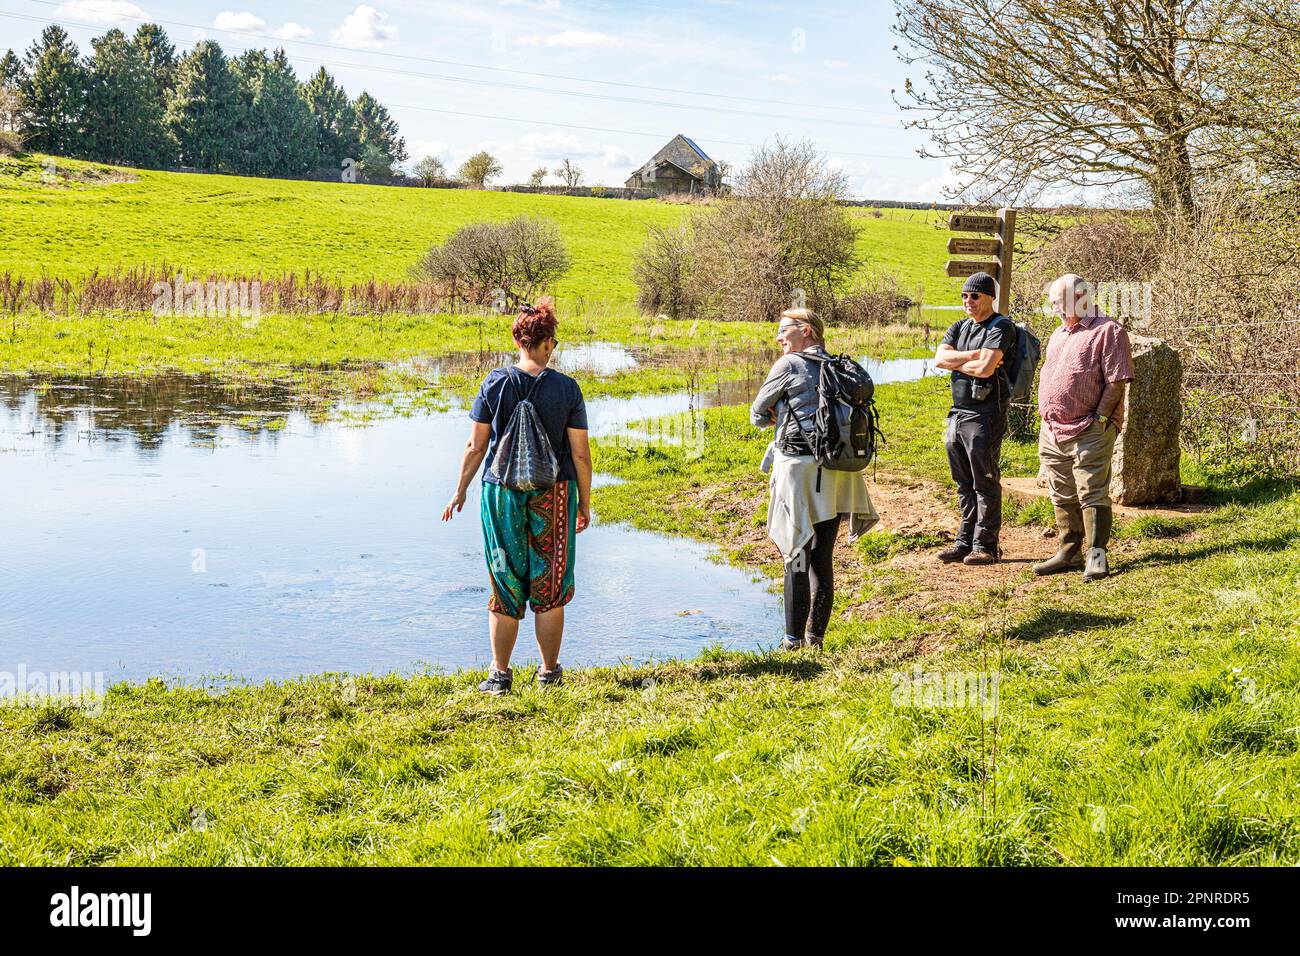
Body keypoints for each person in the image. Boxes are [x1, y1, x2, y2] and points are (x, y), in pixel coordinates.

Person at [441, 299, 593, 695]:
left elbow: (476, 446)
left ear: (518, 340)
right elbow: (580, 454)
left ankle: (500, 675)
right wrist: (585, 503)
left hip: (500, 492)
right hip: (556, 492)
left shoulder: (494, 383)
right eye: (553, 342)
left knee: (504, 578)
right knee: (551, 580)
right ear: (546, 344)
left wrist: (459, 492)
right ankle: (549, 673)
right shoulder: (567, 389)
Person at [750, 307, 878, 651]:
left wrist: (775, 414)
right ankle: (815, 640)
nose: (779, 337)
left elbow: (757, 414)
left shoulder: (788, 365)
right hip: (839, 468)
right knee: (822, 558)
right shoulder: (840, 366)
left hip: (800, 470)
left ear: (806, 330)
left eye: (784, 330)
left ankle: (791, 643)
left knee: (796, 554)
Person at [1032, 274, 1134, 582]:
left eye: (1060, 303)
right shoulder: (1059, 334)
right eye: (1053, 305)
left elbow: (1117, 381)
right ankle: (1069, 551)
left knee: (1092, 493)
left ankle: (1097, 558)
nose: (1057, 310)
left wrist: (1101, 419)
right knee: (1061, 493)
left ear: (1081, 297)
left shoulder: (1109, 331)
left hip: (1089, 429)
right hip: (1053, 430)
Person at [933, 271, 1018, 565]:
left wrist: (960, 360)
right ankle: (963, 541)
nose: (968, 301)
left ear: (989, 297)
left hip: (986, 414)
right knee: (962, 481)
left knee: (984, 480)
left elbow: (985, 370)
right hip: (957, 412)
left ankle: (986, 546)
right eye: (964, 295)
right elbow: (939, 360)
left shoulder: (1002, 326)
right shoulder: (959, 326)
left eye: (975, 295)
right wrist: (973, 356)